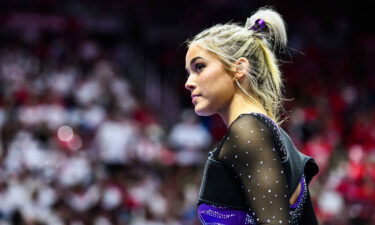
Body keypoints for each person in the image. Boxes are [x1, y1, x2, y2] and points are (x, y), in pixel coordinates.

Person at [184, 7, 319, 225]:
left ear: (239, 68)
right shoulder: (258, 130)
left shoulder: (249, 131)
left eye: (200, 67)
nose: (189, 82)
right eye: (188, 72)